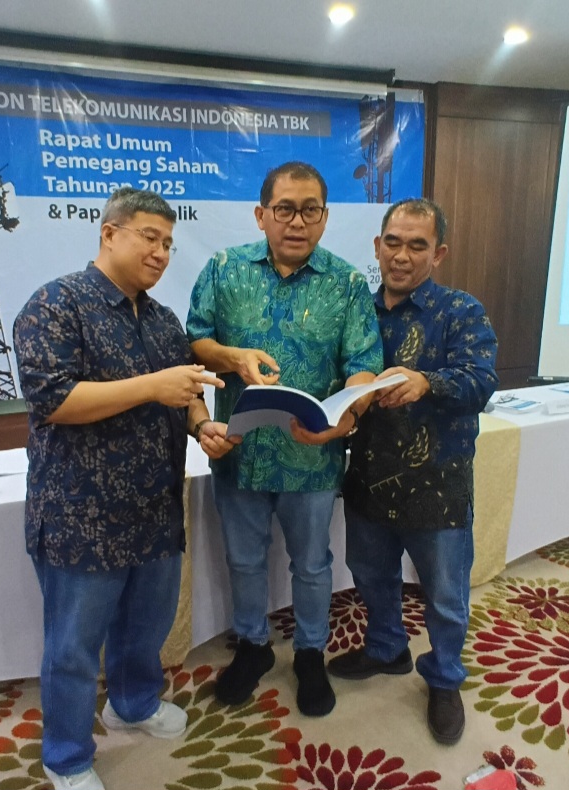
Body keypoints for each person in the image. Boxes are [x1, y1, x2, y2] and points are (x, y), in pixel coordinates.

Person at [13, 188, 238, 790]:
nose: (161, 252)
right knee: (74, 647)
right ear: (109, 233)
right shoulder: (56, 304)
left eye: (168, 242)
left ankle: (133, 704)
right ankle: (66, 758)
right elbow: (53, 399)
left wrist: (202, 425)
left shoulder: (163, 321)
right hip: (80, 514)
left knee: (146, 628)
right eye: (149, 237)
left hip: (155, 506)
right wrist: (151, 386)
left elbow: (185, 392)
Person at [186, 161, 383, 717]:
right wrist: (232, 357)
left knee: (313, 564)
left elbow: (364, 363)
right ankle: (253, 646)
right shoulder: (224, 270)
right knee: (244, 560)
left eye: (309, 210)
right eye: (285, 209)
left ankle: (310, 653)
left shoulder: (347, 284)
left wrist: (349, 413)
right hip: (239, 452)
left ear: (325, 218)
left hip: (312, 456)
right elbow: (195, 341)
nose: (297, 222)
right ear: (261, 215)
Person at [330, 198, 498, 745]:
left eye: (417, 245)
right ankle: (387, 648)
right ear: (377, 246)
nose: (401, 256)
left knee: (445, 594)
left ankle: (445, 678)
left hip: (437, 483)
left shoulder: (461, 310)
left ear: (438, 253)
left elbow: (482, 381)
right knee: (369, 573)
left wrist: (429, 382)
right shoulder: (358, 311)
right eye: (393, 243)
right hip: (369, 476)